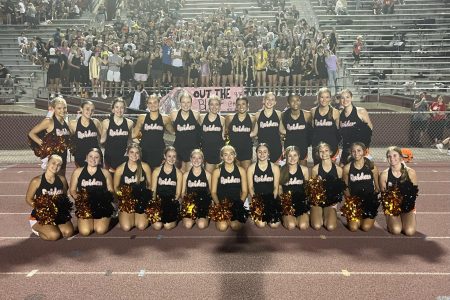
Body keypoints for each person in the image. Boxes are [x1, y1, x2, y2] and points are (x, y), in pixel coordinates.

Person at [26, 154, 74, 240]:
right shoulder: (36, 180)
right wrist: (43, 209)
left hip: (58, 214)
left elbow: (64, 195)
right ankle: (36, 228)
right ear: (47, 163)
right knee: (54, 236)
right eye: (53, 163)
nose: (56, 166)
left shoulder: (62, 179)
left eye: (59, 165)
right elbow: (28, 199)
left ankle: (53, 226)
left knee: (68, 232)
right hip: (42, 215)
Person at [70, 148, 114, 236]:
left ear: (100, 159)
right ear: (86, 157)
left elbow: (111, 190)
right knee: (85, 232)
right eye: (91, 156)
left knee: (100, 230)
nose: (93, 159)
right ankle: (87, 221)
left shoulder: (105, 173)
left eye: (96, 157)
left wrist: (104, 200)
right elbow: (72, 190)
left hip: (101, 206)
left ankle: (105, 218)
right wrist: (79, 199)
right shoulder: (78, 172)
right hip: (85, 206)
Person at [379, 146, 418, 236]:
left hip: (406, 206)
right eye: (389, 156)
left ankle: (409, 216)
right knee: (396, 230)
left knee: (409, 232)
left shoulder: (410, 172)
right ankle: (390, 219)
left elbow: (414, 193)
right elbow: (383, 196)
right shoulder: (384, 175)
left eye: (395, 155)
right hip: (392, 206)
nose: (392, 158)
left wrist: (407, 206)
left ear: (401, 157)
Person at [114, 143, 152, 231]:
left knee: (141, 226)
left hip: (141, 200)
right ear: (127, 153)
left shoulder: (145, 167)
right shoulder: (120, 169)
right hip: (128, 201)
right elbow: (115, 187)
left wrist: (147, 198)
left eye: (137, 153)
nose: (134, 155)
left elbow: (150, 185)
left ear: (140, 154)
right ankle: (122, 213)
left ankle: (137, 216)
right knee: (127, 227)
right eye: (131, 152)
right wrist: (124, 196)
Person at [342, 142, 380, 232]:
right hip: (355, 202)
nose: (356, 153)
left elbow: (377, 188)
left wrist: (372, 201)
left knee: (365, 228)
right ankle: (356, 217)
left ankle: (367, 217)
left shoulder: (372, 167)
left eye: (359, 150)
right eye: (353, 151)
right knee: (353, 228)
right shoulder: (347, 168)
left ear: (364, 151)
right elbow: (345, 187)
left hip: (368, 201)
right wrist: (350, 201)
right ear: (351, 153)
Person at [28, 97, 71, 175]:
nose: (62, 110)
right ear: (53, 109)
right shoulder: (49, 121)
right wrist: (44, 145)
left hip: (63, 156)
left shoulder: (66, 123)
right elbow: (31, 133)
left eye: (64, 108)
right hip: (52, 158)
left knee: (61, 181)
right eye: (59, 108)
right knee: (51, 181)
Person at [211, 145, 248, 232]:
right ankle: (226, 218)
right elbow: (213, 192)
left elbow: (245, 191)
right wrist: (218, 205)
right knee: (222, 227)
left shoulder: (241, 170)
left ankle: (231, 218)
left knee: (235, 226)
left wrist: (239, 204)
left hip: (236, 204)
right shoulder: (217, 172)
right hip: (221, 204)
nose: (229, 157)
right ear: (222, 157)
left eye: (231, 154)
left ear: (235, 155)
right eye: (225, 154)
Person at [133, 94, 174, 169]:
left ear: (159, 103)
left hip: (159, 151)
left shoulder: (165, 118)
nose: (153, 105)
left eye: (155, 102)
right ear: (147, 105)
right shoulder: (142, 118)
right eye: (150, 103)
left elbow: (174, 132)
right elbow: (134, 134)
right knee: (145, 176)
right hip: (144, 151)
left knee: (157, 176)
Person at [310, 142, 344, 231]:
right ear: (318, 154)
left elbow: (339, 189)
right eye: (321, 151)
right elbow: (313, 190)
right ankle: (317, 212)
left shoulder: (339, 170)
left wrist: (335, 203)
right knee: (317, 226)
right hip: (318, 202)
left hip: (331, 202)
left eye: (326, 151)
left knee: (330, 227)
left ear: (330, 152)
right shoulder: (315, 169)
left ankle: (328, 213)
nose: (324, 153)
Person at [247, 143, 281, 228]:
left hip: (271, 198)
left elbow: (276, 187)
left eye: (265, 152)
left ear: (268, 153)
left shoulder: (275, 167)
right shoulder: (251, 168)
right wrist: (256, 201)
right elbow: (250, 187)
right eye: (260, 152)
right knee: (261, 224)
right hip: (258, 199)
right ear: (256, 153)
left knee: (274, 225)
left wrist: (271, 202)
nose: (262, 154)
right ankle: (254, 211)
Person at [150, 146, 183, 230]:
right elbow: (153, 191)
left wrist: (170, 205)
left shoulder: (178, 173)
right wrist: (154, 205)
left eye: (174, 156)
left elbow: (178, 193)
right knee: (157, 226)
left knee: (167, 226)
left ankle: (176, 215)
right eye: (169, 156)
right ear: (164, 156)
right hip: (159, 201)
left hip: (171, 202)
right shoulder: (157, 171)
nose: (172, 159)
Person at [279, 146, 310, 230]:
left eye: (295, 155)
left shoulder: (304, 170)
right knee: (291, 225)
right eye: (290, 156)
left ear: (299, 156)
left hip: (300, 203)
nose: (292, 158)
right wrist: (284, 203)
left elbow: (306, 188)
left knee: (303, 226)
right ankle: (284, 216)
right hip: (287, 204)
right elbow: (280, 189)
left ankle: (301, 216)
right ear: (286, 157)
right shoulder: (281, 170)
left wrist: (305, 202)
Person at [339, 89, 373, 165]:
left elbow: (370, 129)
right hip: (346, 148)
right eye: (342, 98)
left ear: (351, 98)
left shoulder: (361, 111)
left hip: (359, 149)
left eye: (347, 97)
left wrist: (366, 146)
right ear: (340, 100)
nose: (345, 100)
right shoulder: (340, 114)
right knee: (343, 170)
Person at [181, 149, 212, 229]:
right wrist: (187, 205)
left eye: (199, 158)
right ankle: (192, 218)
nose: (196, 160)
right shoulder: (185, 175)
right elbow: (183, 193)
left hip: (203, 204)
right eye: (194, 157)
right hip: (190, 204)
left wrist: (209, 205)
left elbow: (211, 192)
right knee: (188, 225)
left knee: (201, 225)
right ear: (191, 159)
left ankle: (200, 218)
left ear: (202, 160)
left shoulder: (208, 175)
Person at [170, 91, 201, 173]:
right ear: (180, 103)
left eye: (188, 102)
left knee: (190, 174)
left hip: (192, 149)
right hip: (179, 149)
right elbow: (171, 129)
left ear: (191, 103)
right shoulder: (174, 114)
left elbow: (200, 131)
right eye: (183, 102)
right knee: (179, 174)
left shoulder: (196, 114)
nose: (186, 104)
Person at [100, 98, 134, 173]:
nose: (119, 110)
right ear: (113, 109)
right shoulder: (106, 122)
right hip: (109, 156)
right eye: (117, 107)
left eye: (122, 107)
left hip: (123, 156)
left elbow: (129, 140)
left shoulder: (129, 123)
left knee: (122, 181)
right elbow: (102, 140)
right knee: (109, 179)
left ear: (124, 109)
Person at [251, 92, 285, 163]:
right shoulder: (257, 115)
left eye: (272, 99)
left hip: (276, 147)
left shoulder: (278, 114)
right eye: (268, 99)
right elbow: (254, 133)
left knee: (277, 171)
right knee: (263, 170)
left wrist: (295, 131)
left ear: (275, 102)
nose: (270, 101)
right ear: (263, 100)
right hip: (262, 149)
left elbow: (281, 130)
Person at [310, 87, 340, 164]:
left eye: (327, 97)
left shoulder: (335, 112)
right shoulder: (313, 111)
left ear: (330, 98)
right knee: (317, 171)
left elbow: (338, 130)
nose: (324, 100)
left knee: (332, 171)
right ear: (318, 98)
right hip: (317, 146)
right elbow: (313, 128)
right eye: (322, 97)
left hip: (332, 146)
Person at [69, 100, 102, 167]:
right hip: (80, 157)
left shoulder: (96, 122)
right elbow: (67, 139)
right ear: (81, 109)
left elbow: (103, 139)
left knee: (98, 177)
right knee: (81, 176)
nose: (90, 112)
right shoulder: (73, 124)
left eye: (92, 110)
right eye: (87, 109)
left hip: (95, 157)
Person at [226, 96, 255, 171]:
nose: (241, 106)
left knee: (246, 174)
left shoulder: (252, 119)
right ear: (236, 106)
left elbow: (254, 133)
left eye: (243, 104)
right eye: (238, 104)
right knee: (234, 175)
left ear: (247, 105)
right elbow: (225, 132)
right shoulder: (230, 118)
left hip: (246, 151)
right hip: (233, 151)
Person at [282, 94, 312, 166]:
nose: (295, 103)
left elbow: (312, 129)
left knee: (302, 170)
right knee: (289, 170)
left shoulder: (307, 115)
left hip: (302, 146)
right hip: (289, 146)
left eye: (297, 100)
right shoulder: (284, 115)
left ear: (300, 101)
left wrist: (309, 142)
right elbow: (281, 130)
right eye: (292, 101)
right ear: (288, 103)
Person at [200, 95, 225, 173]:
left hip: (218, 153)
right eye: (212, 104)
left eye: (217, 104)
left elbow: (223, 137)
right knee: (208, 177)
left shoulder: (222, 119)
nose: (214, 107)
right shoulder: (201, 118)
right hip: (207, 153)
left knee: (218, 178)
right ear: (208, 106)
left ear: (220, 106)